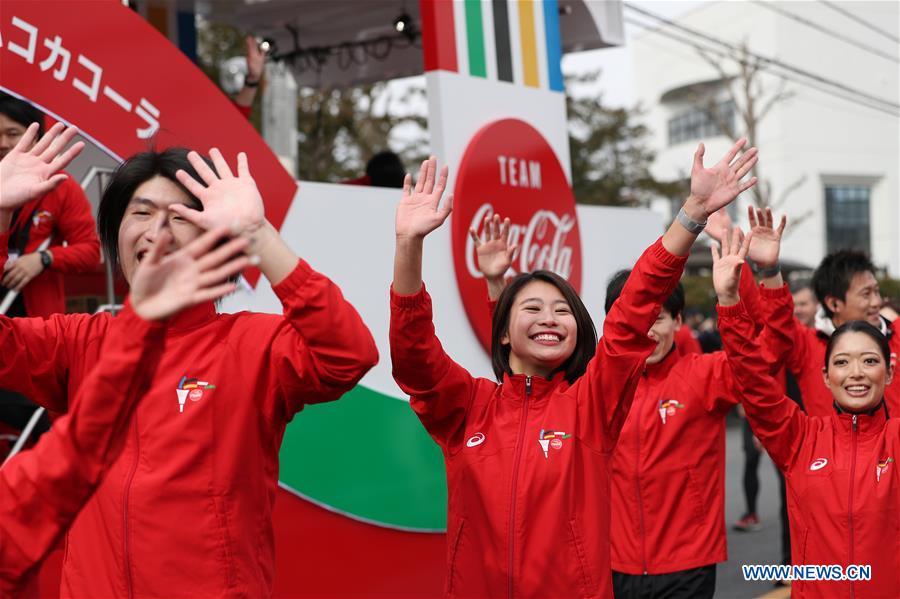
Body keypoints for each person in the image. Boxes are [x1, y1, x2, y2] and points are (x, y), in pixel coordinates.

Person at [0, 123, 379, 597]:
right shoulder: (78, 342)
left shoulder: (250, 345)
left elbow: (349, 354)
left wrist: (257, 234)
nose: (157, 231)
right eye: (141, 212)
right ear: (116, 235)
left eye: (179, 216)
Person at [390, 139, 758, 597]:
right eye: (533, 308)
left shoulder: (589, 404)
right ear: (503, 331)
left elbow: (633, 309)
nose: (549, 318)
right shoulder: (468, 407)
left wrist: (692, 213)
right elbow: (414, 358)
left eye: (562, 311)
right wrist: (408, 245)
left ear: (579, 329)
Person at [713, 228, 899, 598]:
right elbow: (754, 381)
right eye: (843, 362)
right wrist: (730, 302)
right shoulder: (799, 438)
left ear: (890, 371)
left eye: (870, 361)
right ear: (826, 376)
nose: (857, 373)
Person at [0, 94, 101, 453]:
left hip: (34, 328)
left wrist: (42, 260)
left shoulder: (60, 186)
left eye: (12, 132)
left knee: (40, 433)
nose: (3, 143)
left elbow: (91, 251)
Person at [771, 249, 899, 417]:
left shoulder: (896, 334)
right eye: (866, 294)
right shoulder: (807, 346)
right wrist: (769, 269)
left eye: (876, 291)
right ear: (834, 304)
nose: (876, 302)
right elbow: (774, 315)